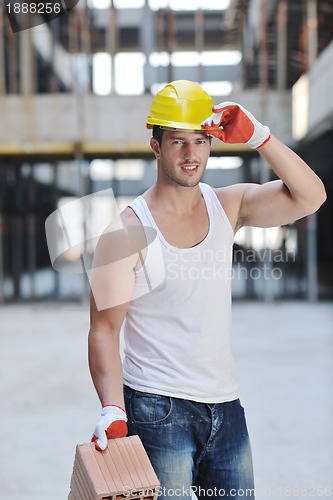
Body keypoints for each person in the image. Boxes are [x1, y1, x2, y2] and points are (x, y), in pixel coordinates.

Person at [88, 80, 326, 499]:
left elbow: (311, 197)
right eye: (177, 141)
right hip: (157, 409)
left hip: (226, 407)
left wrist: (259, 136)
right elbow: (104, 329)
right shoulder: (125, 232)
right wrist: (112, 409)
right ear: (156, 147)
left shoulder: (228, 206)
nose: (190, 153)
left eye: (200, 141)